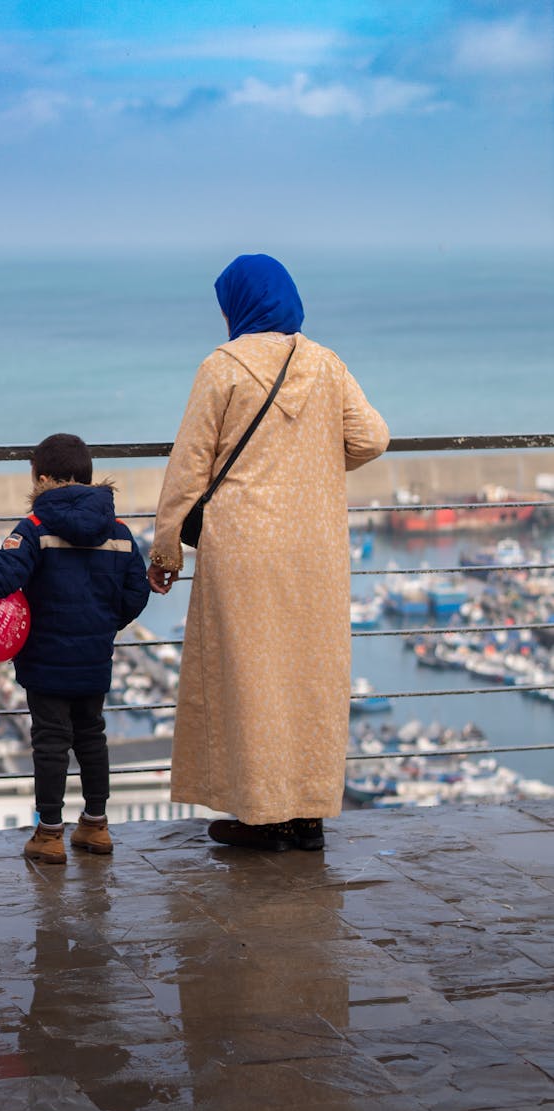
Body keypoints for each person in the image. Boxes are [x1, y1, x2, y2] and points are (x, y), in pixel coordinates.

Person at [147, 254, 389, 851]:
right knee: (310, 677)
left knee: (251, 678)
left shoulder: (221, 367)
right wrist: (317, 463)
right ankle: (307, 819)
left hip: (244, 546)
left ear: (238, 305)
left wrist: (166, 549)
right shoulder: (325, 364)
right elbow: (372, 438)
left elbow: (189, 468)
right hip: (316, 549)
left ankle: (263, 818)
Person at [0, 433, 150, 864]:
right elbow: (136, 593)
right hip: (93, 656)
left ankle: (49, 834)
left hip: (45, 656)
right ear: (88, 479)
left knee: (50, 740)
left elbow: (1, 576)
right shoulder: (122, 533)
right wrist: (103, 626)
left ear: (43, 478)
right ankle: (96, 826)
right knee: (91, 736)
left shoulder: (33, 529)